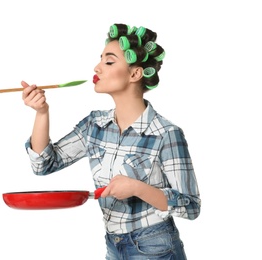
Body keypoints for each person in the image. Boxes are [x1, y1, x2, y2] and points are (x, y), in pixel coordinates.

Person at [21, 23, 201, 260]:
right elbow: (43, 165)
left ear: (135, 74)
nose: (97, 67)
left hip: (155, 248)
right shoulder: (94, 125)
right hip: (113, 245)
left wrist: (138, 188)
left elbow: (191, 207)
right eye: (100, 60)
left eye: (109, 61)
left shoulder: (165, 133)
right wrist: (42, 112)